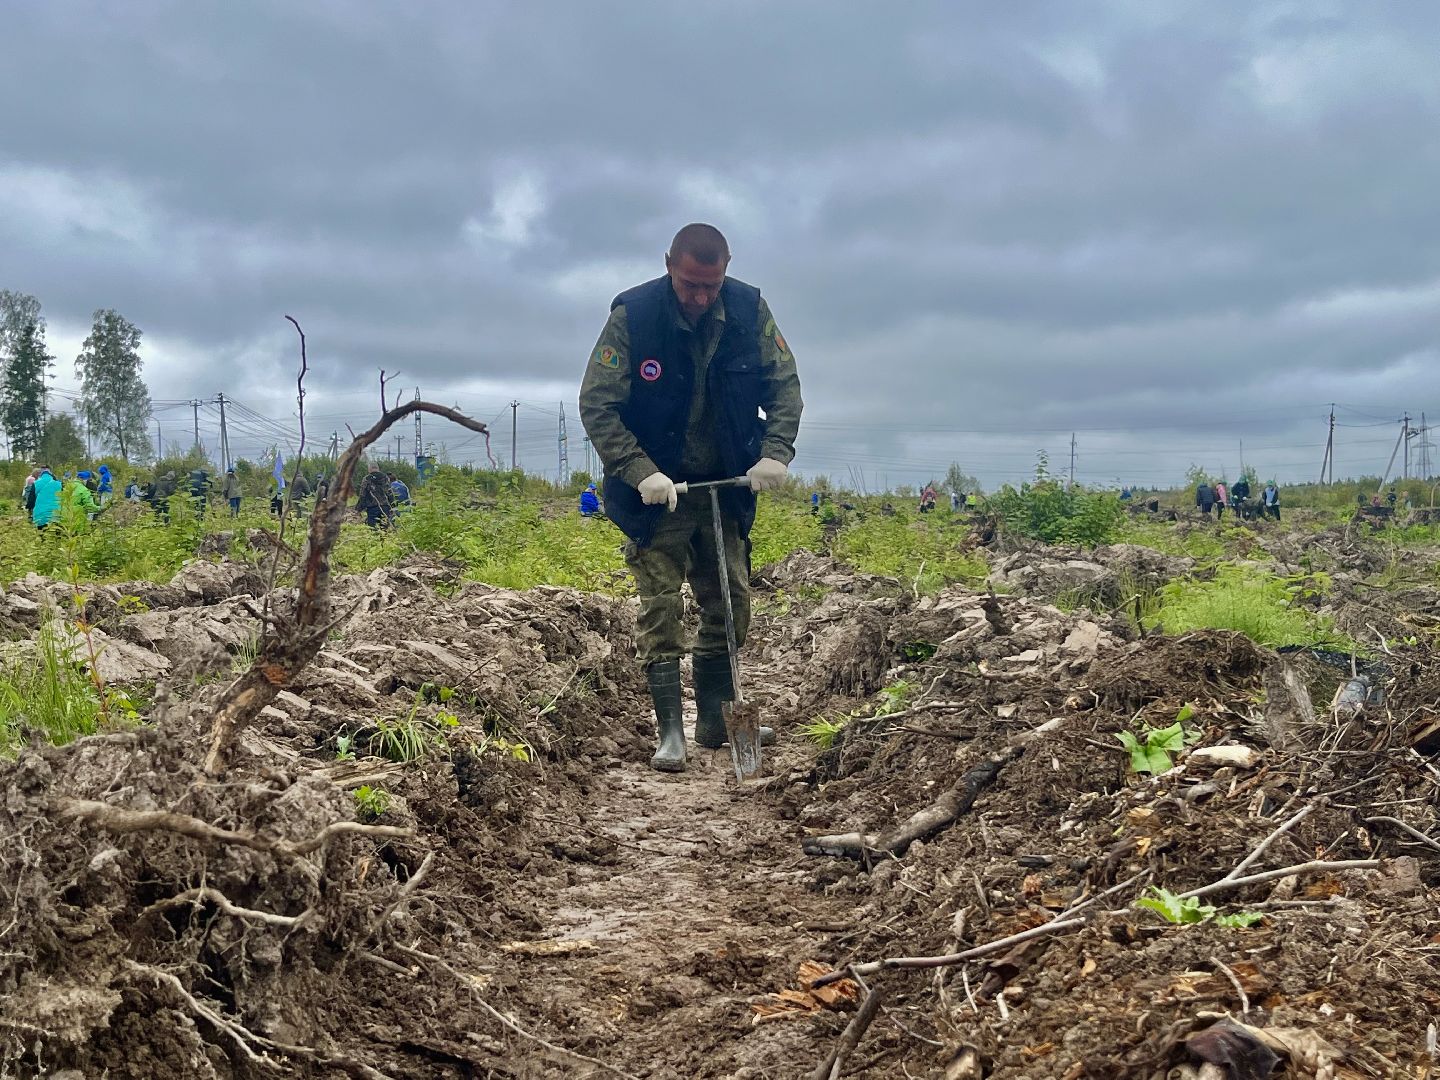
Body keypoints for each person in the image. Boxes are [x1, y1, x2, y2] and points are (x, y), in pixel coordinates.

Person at [579, 223, 802, 772]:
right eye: (690, 285)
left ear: (726, 271)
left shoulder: (750, 311)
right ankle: (671, 732)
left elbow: (784, 387)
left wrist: (775, 452)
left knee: (731, 605)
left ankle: (715, 720)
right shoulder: (634, 317)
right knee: (661, 607)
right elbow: (598, 406)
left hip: (726, 486)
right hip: (657, 495)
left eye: (711, 285)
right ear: (669, 266)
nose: (701, 297)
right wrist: (640, 472)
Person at [356, 462, 394, 528]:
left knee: (372, 528)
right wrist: (393, 505)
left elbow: (363, 495)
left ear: (369, 469)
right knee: (384, 529)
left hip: (372, 508)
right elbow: (389, 492)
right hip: (385, 507)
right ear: (378, 468)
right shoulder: (385, 477)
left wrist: (359, 509)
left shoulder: (367, 478)